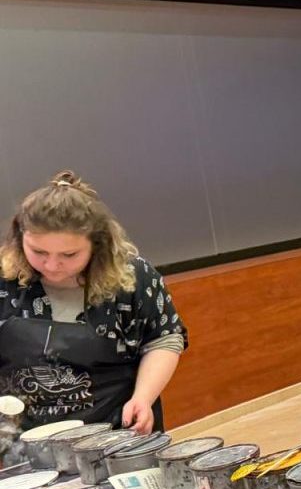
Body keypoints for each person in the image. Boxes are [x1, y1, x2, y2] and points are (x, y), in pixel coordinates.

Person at [0, 171, 186, 434]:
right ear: (20, 240)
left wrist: (143, 398)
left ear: (97, 245)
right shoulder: (4, 280)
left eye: (69, 254)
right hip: (21, 439)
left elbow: (162, 340)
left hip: (115, 432)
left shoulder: (132, 277)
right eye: (38, 251)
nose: (52, 265)